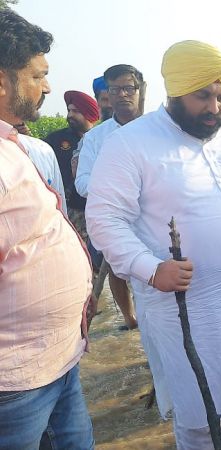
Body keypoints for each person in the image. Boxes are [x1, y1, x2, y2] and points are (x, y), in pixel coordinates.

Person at [86, 40, 221, 449]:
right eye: (203, 95)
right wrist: (150, 268)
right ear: (174, 91)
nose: (216, 106)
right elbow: (105, 220)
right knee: (198, 408)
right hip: (186, 303)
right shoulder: (131, 143)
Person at [0, 9, 94, 449]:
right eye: (38, 75)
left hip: (55, 362)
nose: (48, 87)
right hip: (16, 383)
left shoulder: (13, 146)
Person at [75, 63, 145, 331]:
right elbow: (82, 182)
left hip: (154, 215)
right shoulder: (95, 138)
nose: (123, 94)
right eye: (115, 89)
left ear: (139, 91)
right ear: (108, 95)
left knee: (155, 272)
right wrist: (118, 187)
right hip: (115, 217)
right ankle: (130, 319)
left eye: (129, 88)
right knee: (117, 268)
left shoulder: (159, 130)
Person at [44, 90, 99, 242]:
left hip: (93, 210)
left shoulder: (99, 140)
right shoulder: (55, 139)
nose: (70, 115)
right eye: (69, 110)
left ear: (88, 114)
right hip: (63, 209)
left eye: (75, 111)